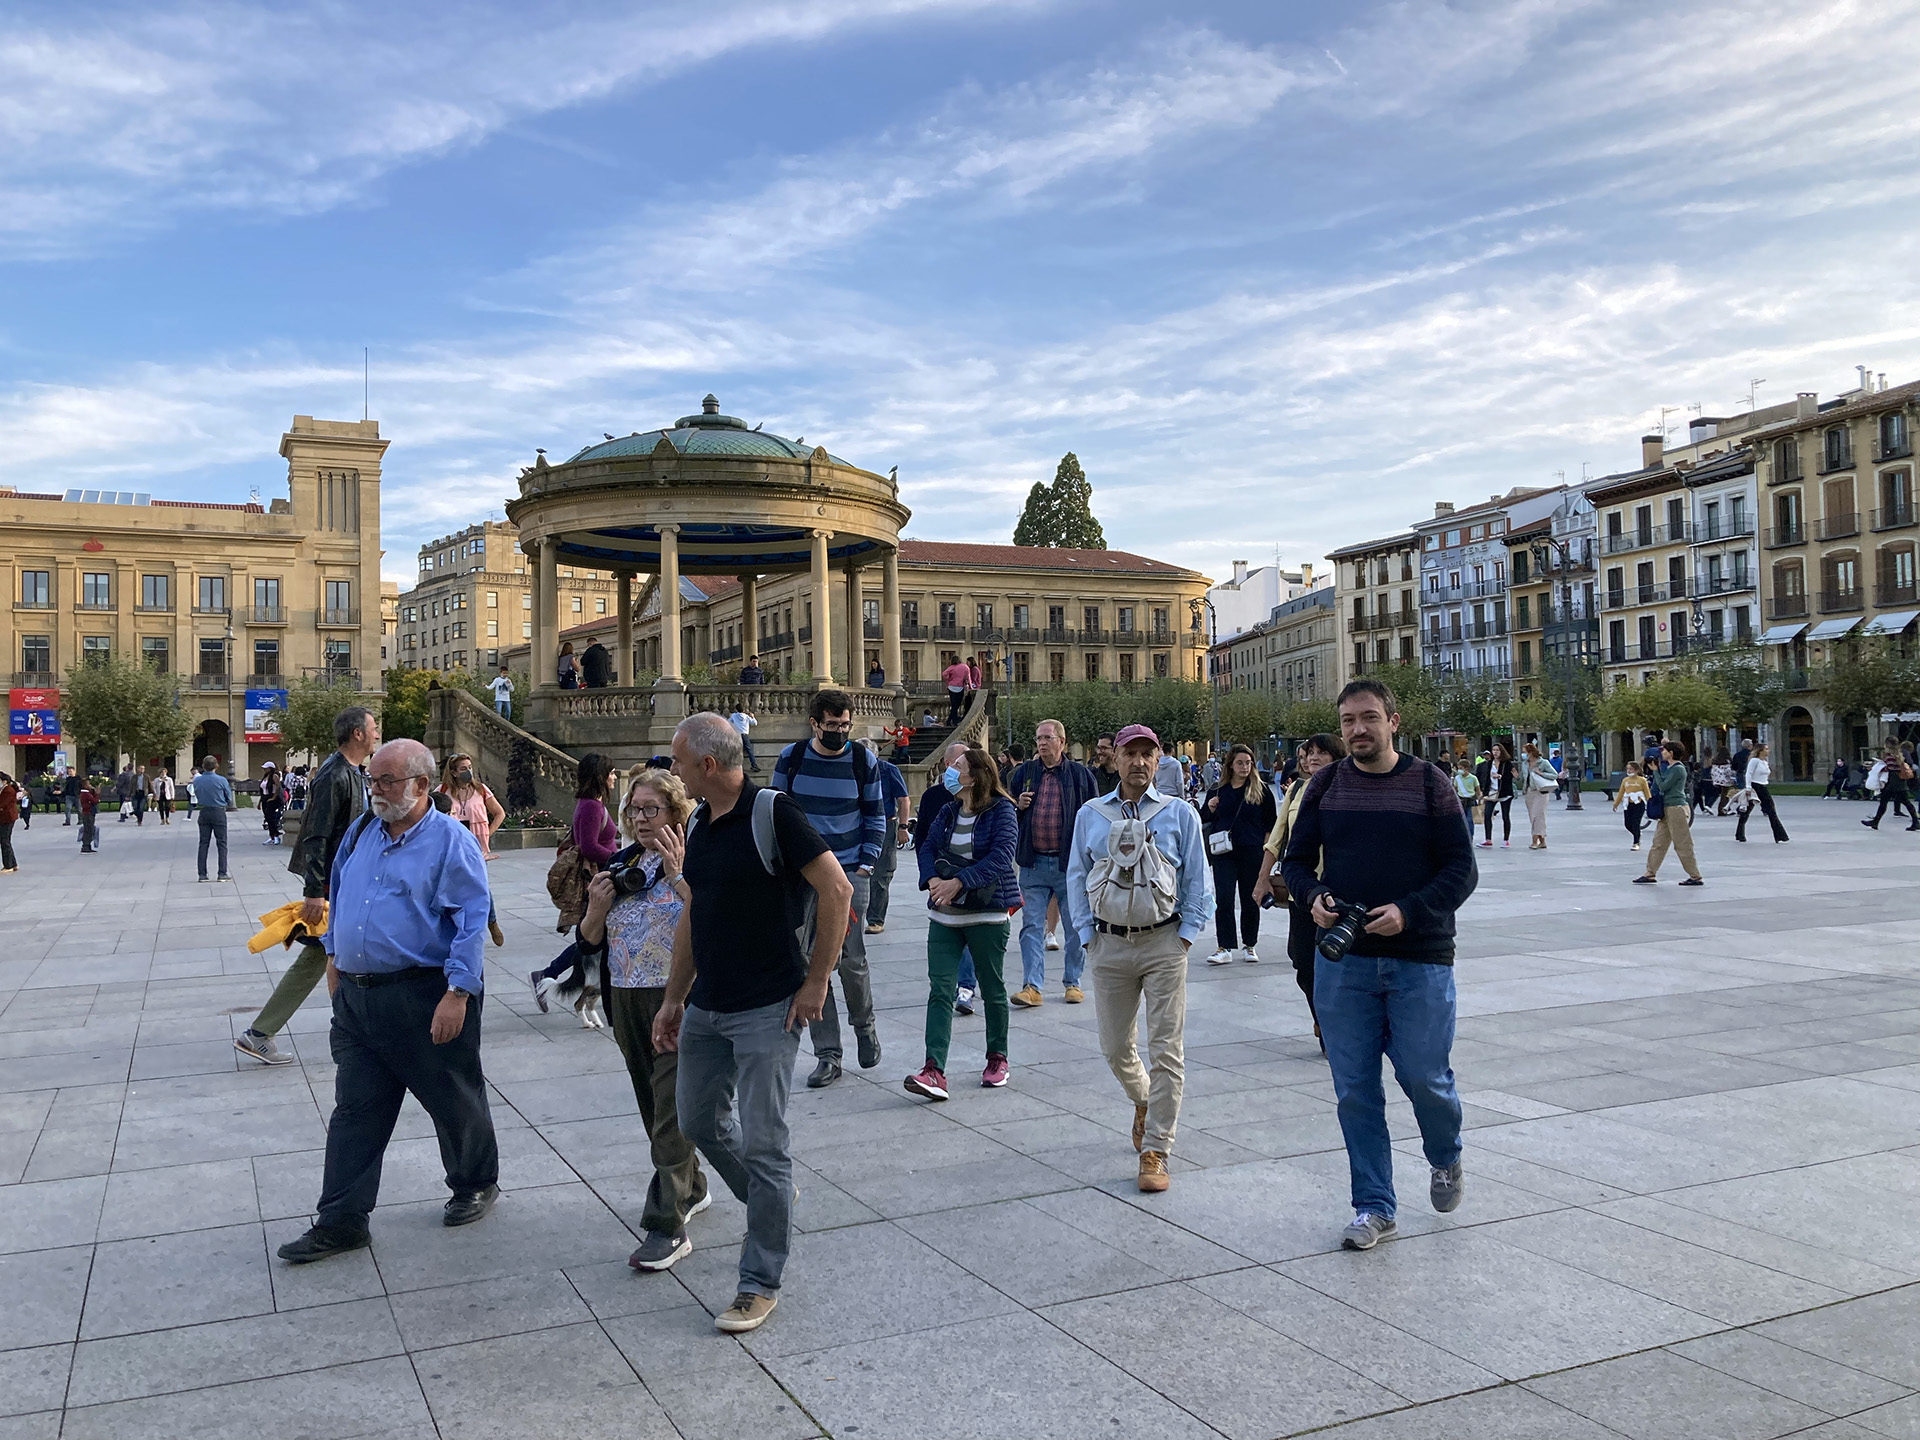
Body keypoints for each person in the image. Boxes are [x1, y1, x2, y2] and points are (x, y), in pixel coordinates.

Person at [653, 712, 848, 1334]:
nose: (673, 771)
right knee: (697, 1120)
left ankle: (758, 1281)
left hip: (769, 1005)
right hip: (709, 1004)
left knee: (765, 1143)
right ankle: (772, 1199)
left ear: (708, 766)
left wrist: (816, 980)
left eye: (679, 761)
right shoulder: (700, 825)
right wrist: (673, 997)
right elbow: (694, 917)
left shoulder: (774, 812)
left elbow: (837, 891)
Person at [275, 739, 498, 1264]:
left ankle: (474, 1182)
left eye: (387, 782)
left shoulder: (449, 842)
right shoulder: (360, 833)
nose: (375, 791)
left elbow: (472, 919)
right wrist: (334, 958)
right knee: (355, 1109)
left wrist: (458, 993)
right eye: (372, 780)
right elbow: (342, 894)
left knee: (452, 1097)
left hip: (425, 993)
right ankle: (342, 1220)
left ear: (421, 786)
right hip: (357, 999)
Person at [1281, 679, 1478, 1251]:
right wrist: (1312, 895)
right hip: (1345, 962)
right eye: (1347, 721)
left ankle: (1445, 1155)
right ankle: (1374, 1206)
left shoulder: (1428, 783)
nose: (1358, 730)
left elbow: (1461, 870)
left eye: (1368, 717)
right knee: (1355, 1090)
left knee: (1425, 1076)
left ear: (1394, 720)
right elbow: (1295, 863)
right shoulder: (1324, 787)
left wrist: (1410, 911)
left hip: (1420, 958)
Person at [1065, 723, 1211, 1194]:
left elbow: (1197, 879)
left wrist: (1185, 937)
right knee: (1114, 1046)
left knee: (1167, 1049)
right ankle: (1145, 1101)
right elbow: (1075, 875)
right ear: (1116, 759)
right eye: (1131, 753)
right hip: (1109, 945)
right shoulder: (1091, 814)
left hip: (1164, 943)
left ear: (1160, 758)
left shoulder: (1180, 814)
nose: (1139, 762)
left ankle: (1157, 1149)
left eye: (1148, 754)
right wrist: (1087, 936)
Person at [575, 766, 711, 1272]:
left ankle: (665, 1225)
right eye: (634, 810)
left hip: (679, 995)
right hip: (625, 997)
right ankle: (692, 1186)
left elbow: (710, 917)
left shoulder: (698, 858)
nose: (640, 819)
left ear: (677, 812)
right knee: (651, 1104)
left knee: (671, 1108)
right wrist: (595, 906)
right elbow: (589, 940)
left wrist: (677, 874)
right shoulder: (623, 861)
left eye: (652, 809)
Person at [235, 708, 378, 1065]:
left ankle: (264, 1031)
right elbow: (316, 835)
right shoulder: (335, 774)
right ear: (358, 734)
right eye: (374, 728)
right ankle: (261, 1032)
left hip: (341, 880)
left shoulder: (349, 772)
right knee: (322, 954)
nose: (377, 734)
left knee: (332, 954)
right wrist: (315, 891)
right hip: (332, 884)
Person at [772, 690, 885, 1086]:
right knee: (813, 965)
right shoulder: (793, 758)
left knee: (850, 958)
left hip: (851, 871)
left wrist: (867, 862)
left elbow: (875, 814)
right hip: (804, 873)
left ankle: (865, 1027)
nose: (840, 731)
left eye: (845, 725)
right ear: (815, 724)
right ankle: (828, 1054)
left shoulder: (861, 760)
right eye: (832, 725)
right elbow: (777, 812)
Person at [906, 745, 1021, 1100]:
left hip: (987, 914)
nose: (949, 771)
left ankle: (997, 1058)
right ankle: (933, 1069)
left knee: (992, 987)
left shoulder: (1002, 810)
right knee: (941, 990)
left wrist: (959, 881)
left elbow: (1002, 857)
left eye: (956, 766)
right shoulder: (947, 809)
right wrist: (932, 881)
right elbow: (926, 846)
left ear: (975, 775)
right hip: (944, 915)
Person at [1252, 733, 1346, 1043]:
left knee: (1336, 960)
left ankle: (1335, 1027)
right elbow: (1277, 838)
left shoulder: (1349, 787)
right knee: (1302, 960)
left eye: (1321, 753)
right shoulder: (1296, 791)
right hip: (1302, 890)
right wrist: (1262, 878)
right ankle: (1321, 1016)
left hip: (1340, 890)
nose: (1312, 758)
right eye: (1309, 753)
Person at [1005, 720, 1097, 1005]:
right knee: (1031, 926)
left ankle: (1073, 982)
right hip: (1033, 863)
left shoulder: (1080, 775)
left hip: (1068, 864)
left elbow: (1093, 818)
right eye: (1038, 739)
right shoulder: (1024, 773)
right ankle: (1032, 986)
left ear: (1062, 742)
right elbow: (1009, 813)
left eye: (1047, 738)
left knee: (1074, 926)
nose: (1042, 743)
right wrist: (1017, 805)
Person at [531, 754, 622, 1003]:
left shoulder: (589, 803)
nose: (614, 777)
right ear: (600, 776)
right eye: (611, 773)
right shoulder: (591, 805)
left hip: (599, 875)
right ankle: (548, 974)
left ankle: (551, 975)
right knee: (592, 939)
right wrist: (618, 858)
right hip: (597, 878)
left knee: (595, 939)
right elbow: (588, 847)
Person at [1203, 744, 1278, 966]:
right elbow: (1203, 817)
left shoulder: (1261, 790)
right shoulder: (1218, 790)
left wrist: (1266, 848)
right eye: (1240, 763)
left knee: (1250, 898)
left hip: (1251, 851)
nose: (1245, 767)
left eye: (1248, 763)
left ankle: (1250, 944)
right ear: (1230, 766)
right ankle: (1224, 946)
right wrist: (1210, 807)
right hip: (1224, 852)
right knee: (1224, 898)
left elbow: (1270, 823)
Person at [440, 754, 508, 947]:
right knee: (455, 887)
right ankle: (460, 928)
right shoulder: (443, 791)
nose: (468, 771)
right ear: (453, 772)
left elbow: (499, 813)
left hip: (477, 847)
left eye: (469, 767)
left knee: (480, 886)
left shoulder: (481, 790)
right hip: (453, 846)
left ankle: (492, 922)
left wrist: (488, 832)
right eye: (463, 768)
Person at [1635, 741, 1704, 885]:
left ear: (1671, 753)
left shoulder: (1678, 769)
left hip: (1676, 807)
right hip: (1666, 808)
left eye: (1664, 751)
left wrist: (1655, 770)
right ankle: (1649, 873)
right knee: (1658, 842)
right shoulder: (1669, 767)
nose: (1662, 753)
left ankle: (1695, 875)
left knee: (1682, 842)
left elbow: (1663, 786)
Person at [863, 741, 912, 935]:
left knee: (881, 874)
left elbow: (903, 799)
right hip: (859, 824)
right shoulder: (851, 769)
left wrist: (903, 826)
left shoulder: (888, 770)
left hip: (885, 823)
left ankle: (875, 919)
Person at [191, 757, 234, 883]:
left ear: (203, 766)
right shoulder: (221, 780)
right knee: (222, 843)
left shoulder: (197, 780)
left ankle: (202, 874)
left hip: (204, 811)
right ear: (216, 766)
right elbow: (228, 798)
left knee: (203, 843)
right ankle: (222, 873)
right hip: (218, 811)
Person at [1736, 742, 1789, 843]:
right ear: (1760, 751)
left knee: (1770, 810)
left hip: (1763, 786)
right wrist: (1748, 787)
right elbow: (1748, 774)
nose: (1768, 751)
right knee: (1750, 810)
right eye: (1766, 749)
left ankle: (1779, 835)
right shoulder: (1754, 761)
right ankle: (1740, 833)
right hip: (1755, 786)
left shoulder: (1764, 762)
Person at [1862, 745, 1918, 830]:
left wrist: (1880, 767)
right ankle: (1875, 822)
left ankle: (1916, 822)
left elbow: (1889, 767)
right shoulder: (1901, 753)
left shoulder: (1890, 755)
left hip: (1891, 782)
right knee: (1904, 802)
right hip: (1899, 781)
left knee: (1885, 802)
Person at [1476, 743, 1516, 849]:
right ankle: (1488, 839)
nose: (1495, 752)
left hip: (1505, 793)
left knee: (1505, 816)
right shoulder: (1489, 763)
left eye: (1498, 750)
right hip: (1492, 792)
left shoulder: (1507, 764)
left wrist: (1500, 776)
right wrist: (1483, 793)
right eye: (1494, 750)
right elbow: (1487, 779)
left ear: (1502, 751)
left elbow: (1512, 777)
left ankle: (1506, 840)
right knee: (1487, 814)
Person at [1519, 742, 1556, 850]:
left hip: (1541, 792)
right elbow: (1524, 777)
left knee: (1537, 815)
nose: (1524, 754)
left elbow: (1554, 774)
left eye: (1525, 752)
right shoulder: (1525, 764)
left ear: (1531, 752)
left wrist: (1541, 773)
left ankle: (1534, 840)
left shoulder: (1543, 762)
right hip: (1530, 792)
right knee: (1534, 817)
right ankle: (1542, 840)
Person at [1613, 761, 1651, 851]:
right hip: (1628, 804)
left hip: (1639, 804)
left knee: (1635, 823)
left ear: (1637, 770)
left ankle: (1636, 842)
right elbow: (1621, 793)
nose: (1629, 771)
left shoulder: (1642, 780)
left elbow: (1647, 793)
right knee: (1628, 824)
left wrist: (1650, 804)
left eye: (1631, 769)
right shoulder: (1625, 780)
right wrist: (1616, 804)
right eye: (1627, 769)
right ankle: (1637, 834)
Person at [728, 706, 758, 773]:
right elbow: (755, 723)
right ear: (743, 710)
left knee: (736, 751)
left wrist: (731, 717)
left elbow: (728, 722)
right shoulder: (746, 717)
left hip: (737, 735)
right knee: (749, 751)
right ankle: (754, 765)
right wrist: (753, 717)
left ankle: (734, 766)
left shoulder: (734, 716)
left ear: (736, 709)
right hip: (745, 735)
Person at [941, 656, 970, 725]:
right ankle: (952, 720)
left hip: (951, 687)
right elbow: (968, 677)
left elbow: (944, 674)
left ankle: (952, 720)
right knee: (957, 705)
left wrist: (948, 680)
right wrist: (969, 686)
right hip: (960, 687)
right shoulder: (964, 667)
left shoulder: (952, 667)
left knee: (954, 705)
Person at [0, 772, 18, 874]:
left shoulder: (9, 791)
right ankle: (13, 864)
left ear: (4, 781)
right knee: (5, 841)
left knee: (4, 841)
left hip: (7, 818)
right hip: (3, 818)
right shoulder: (3, 790)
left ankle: (8, 865)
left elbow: (2, 804)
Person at [1710, 749, 1736, 816]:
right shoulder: (1727, 761)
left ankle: (1725, 809)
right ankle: (1722, 810)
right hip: (1725, 780)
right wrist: (1733, 774)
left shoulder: (1715, 761)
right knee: (1725, 795)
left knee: (1721, 794)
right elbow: (1728, 771)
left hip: (1717, 780)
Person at [77, 776, 99, 853]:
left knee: (89, 829)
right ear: (85, 785)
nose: (90, 785)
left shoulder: (84, 793)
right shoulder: (85, 793)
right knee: (88, 829)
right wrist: (96, 794)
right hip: (88, 813)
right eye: (88, 784)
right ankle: (86, 845)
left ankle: (88, 845)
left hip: (87, 812)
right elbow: (94, 801)